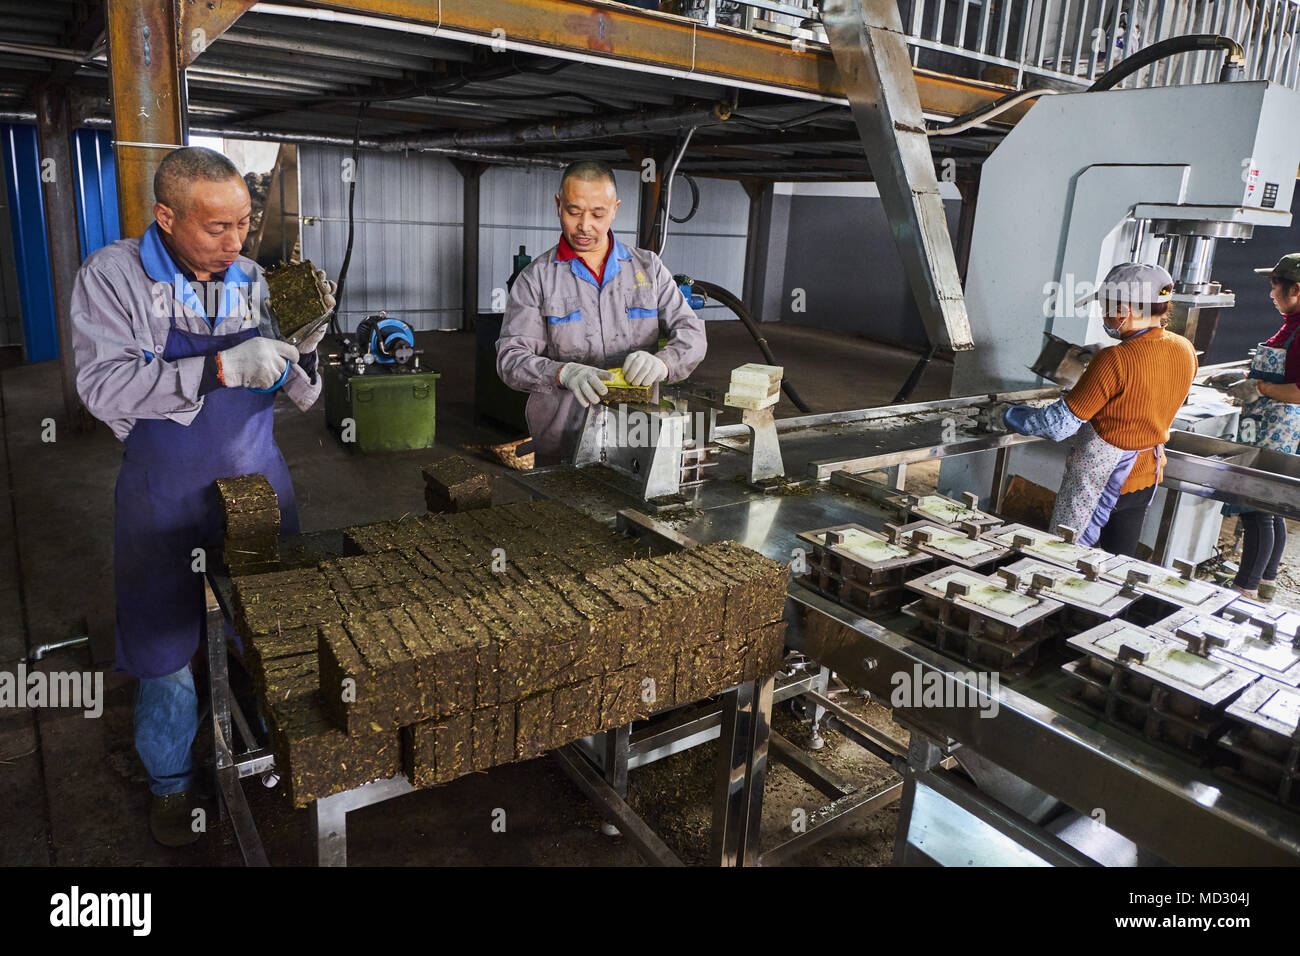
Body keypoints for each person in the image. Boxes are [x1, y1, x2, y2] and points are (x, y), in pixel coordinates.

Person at [70, 147, 331, 846]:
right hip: (166, 489)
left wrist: (302, 343)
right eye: (216, 228)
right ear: (166, 216)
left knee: (272, 622)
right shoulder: (114, 278)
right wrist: (217, 365)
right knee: (163, 644)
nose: (235, 242)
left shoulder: (250, 278)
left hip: (256, 476)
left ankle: (277, 750)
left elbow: (299, 389)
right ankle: (170, 783)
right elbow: (103, 387)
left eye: (243, 223)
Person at [496, 160, 707, 465]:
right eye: (573, 211)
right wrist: (562, 372)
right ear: (558, 205)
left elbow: (692, 334)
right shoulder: (536, 278)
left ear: (615, 209)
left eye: (597, 214)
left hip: (636, 435)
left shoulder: (648, 268)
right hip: (563, 442)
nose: (585, 225)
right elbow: (510, 358)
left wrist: (663, 363)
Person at [998, 262, 1197, 556]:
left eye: (1106, 307)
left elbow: (1058, 426)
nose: (1103, 314)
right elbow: (1142, 396)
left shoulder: (1115, 359)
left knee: (1064, 560)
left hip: (1102, 481)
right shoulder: (1185, 349)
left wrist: (1007, 414)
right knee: (1117, 569)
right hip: (1146, 477)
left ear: (1125, 311)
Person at [1210, 253, 1300, 599]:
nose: (1271, 293)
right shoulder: (1290, 324)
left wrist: (1258, 388)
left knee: (1256, 506)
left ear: (1296, 288)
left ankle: (1242, 591)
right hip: (1260, 422)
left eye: (1275, 286)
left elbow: (1297, 391)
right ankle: (1266, 581)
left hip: (1276, 425)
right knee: (1270, 505)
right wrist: (1246, 377)